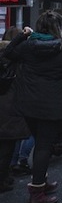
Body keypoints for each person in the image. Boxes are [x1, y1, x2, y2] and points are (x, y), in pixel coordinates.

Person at [3, 11, 62, 203]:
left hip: (27, 103)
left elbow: (8, 53)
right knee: (44, 146)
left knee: (39, 143)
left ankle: (41, 180)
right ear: (59, 28)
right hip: (52, 103)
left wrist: (22, 35)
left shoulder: (28, 46)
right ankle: (37, 192)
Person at [0, 27, 31, 193]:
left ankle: (5, 176)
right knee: (7, 148)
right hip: (9, 110)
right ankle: (3, 178)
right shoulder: (15, 67)